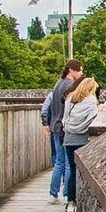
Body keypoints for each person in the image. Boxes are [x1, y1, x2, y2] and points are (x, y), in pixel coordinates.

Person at [56, 73, 106, 204]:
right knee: (83, 172)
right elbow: (92, 118)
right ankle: (81, 201)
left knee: (72, 170)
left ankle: (70, 200)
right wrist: (98, 109)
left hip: (69, 138)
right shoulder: (91, 101)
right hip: (83, 140)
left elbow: (64, 120)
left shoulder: (70, 99)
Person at [40, 61, 85, 202]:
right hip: (63, 127)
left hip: (54, 126)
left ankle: (53, 194)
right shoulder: (69, 86)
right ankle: (67, 195)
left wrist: (46, 122)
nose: (81, 73)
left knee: (59, 162)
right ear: (71, 70)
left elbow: (48, 105)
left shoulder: (58, 83)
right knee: (67, 163)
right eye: (79, 70)